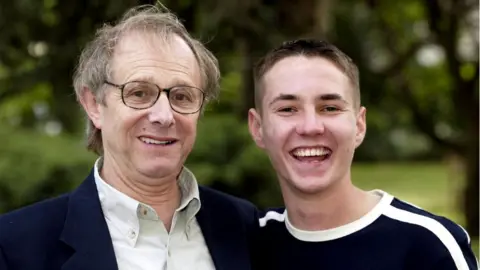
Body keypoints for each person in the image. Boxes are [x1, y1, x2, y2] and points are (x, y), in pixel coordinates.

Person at [0, 5, 259, 270]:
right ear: (93, 105)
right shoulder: (16, 247)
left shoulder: (244, 227)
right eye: (139, 93)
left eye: (181, 96)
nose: (164, 115)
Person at [248, 39, 478, 269]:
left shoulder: (429, 246)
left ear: (359, 125)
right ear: (257, 128)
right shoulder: (244, 244)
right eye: (287, 109)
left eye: (330, 108)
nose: (310, 127)